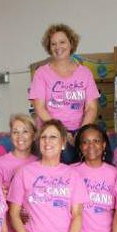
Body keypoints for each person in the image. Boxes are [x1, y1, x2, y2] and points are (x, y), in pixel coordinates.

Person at [29, 23, 99, 162]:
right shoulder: (41, 73)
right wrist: (61, 132)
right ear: (49, 48)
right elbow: (39, 108)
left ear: (71, 44)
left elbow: (92, 107)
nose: (58, 47)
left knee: (98, 154)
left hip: (79, 129)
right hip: (52, 131)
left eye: (62, 42)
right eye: (53, 44)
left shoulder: (85, 73)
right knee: (66, 156)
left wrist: (81, 133)